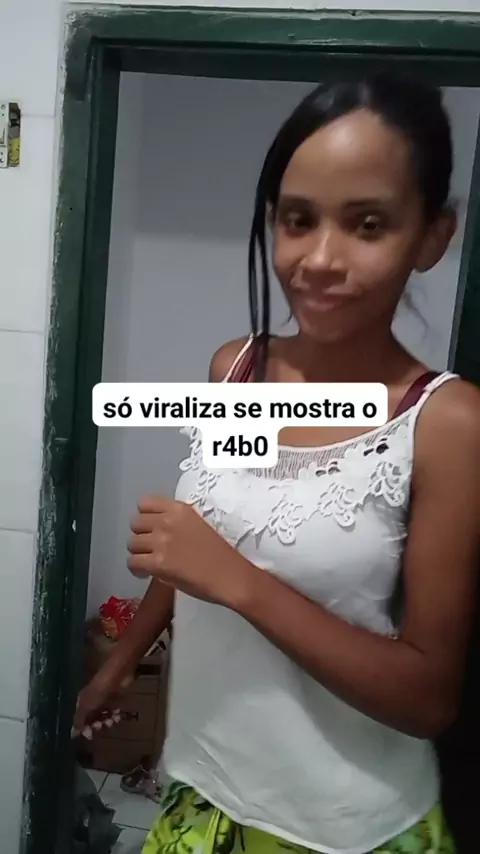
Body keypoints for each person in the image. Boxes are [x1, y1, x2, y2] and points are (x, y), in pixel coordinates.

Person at [124, 73, 480, 853]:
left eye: (367, 224)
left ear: (431, 237)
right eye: (298, 219)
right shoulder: (235, 369)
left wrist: (238, 582)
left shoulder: (448, 423)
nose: (319, 258)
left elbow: (428, 700)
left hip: (344, 825)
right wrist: (121, 660)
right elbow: (201, 538)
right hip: (204, 784)